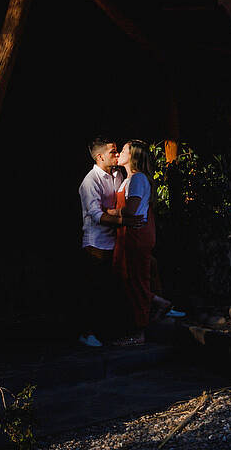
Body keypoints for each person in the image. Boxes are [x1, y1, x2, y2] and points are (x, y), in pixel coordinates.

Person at [77, 137, 124, 348]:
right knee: (94, 289)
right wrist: (123, 220)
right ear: (100, 157)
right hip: (96, 243)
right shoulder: (90, 181)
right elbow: (95, 215)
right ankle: (87, 333)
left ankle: (107, 331)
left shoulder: (118, 174)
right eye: (113, 152)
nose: (117, 154)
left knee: (110, 289)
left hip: (115, 240)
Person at [113, 139, 158, 346]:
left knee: (137, 280)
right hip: (129, 232)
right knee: (129, 278)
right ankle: (157, 304)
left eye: (123, 150)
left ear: (132, 155)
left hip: (136, 234)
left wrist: (109, 212)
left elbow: (131, 210)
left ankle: (139, 331)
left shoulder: (138, 179)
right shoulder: (128, 179)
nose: (119, 153)